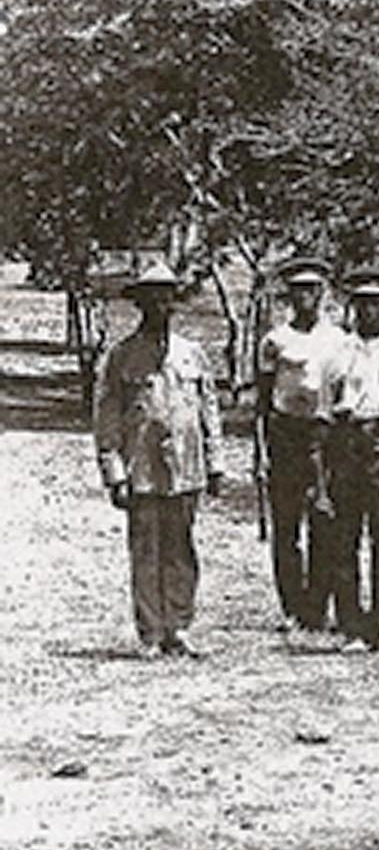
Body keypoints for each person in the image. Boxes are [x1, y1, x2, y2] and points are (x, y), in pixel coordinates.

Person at [93, 263, 224, 658]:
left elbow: (209, 408)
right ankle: (151, 632)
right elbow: (107, 417)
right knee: (146, 548)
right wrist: (113, 473)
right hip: (142, 469)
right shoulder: (121, 356)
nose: (161, 304)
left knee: (181, 548)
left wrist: (215, 463)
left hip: (185, 467)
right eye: (153, 298)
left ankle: (179, 627)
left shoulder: (192, 354)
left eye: (167, 297)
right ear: (141, 304)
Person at [325, 265, 379, 653]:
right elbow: (325, 411)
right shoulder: (337, 353)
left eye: (375, 304)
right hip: (347, 444)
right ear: (351, 308)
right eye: (360, 304)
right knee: (345, 537)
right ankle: (351, 624)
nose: (368, 312)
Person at [257, 256, 346, 633]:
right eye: (297, 291)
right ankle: (292, 605)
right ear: (288, 297)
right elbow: (262, 400)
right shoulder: (275, 340)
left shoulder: (340, 340)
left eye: (311, 290)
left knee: (324, 521)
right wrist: (260, 451)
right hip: (286, 435)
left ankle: (317, 605)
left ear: (322, 294)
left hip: (325, 436)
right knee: (287, 524)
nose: (304, 297)